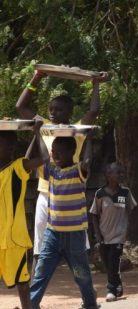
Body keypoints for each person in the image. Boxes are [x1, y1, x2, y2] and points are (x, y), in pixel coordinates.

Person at [16, 69, 107, 268]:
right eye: (50, 109)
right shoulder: (45, 126)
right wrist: (36, 78)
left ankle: (85, 286)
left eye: (57, 110)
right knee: (40, 242)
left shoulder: (77, 130)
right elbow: (20, 106)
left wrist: (96, 84)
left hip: (71, 193)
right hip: (46, 192)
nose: (52, 113)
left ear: (69, 112)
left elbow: (94, 112)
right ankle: (36, 285)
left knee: (77, 244)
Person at [29, 128, 98, 309]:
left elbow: (88, 160)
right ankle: (30, 304)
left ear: (72, 153)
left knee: (81, 274)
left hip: (75, 235)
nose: (55, 154)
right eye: (53, 151)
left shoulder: (78, 172)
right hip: (53, 234)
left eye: (59, 152)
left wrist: (89, 139)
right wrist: (37, 134)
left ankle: (90, 304)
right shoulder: (51, 171)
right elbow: (44, 157)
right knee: (41, 272)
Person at [0, 119, 45, 309]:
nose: (10, 147)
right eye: (6, 143)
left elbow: (44, 159)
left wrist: (37, 134)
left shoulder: (18, 167)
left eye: (11, 144)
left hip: (13, 239)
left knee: (22, 284)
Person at [89, 162, 137, 302]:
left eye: (122, 172)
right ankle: (118, 284)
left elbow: (133, 209)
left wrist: (134, 226)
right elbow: (94, 215)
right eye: (118, 173)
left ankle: (111, 289)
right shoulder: (100, 193)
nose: (121, 175)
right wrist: (97, 233)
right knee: (107, 263)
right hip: (104, 235)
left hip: (119, 235)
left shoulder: (125, 192)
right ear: (108, 175)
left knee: (113, 261)